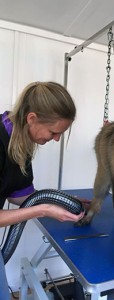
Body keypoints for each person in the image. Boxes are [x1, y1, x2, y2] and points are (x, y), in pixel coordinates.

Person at [0, 81, 84, 299]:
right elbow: (34, 206)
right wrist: (43, 210)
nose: (56, 139)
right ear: (32, 118)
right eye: (54, 132)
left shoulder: (21, 143)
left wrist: (62, 200)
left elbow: (21, 196)